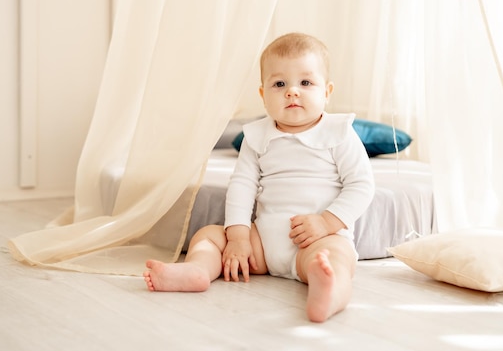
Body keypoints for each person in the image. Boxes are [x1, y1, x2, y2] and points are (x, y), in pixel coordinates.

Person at [143, 32, 375, 322]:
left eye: (305, 82)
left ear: (326, 92)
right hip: (263, 242)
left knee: (335, 259)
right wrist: (238, 236)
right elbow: (241, 186)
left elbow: (362, 185)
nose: (292, 91)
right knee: (209, 236)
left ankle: (330, 290)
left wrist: (326, 222)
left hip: (317, 239)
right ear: (264, 95)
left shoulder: (339, 133)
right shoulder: (256, 136)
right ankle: (197, 270)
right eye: (280, 84)